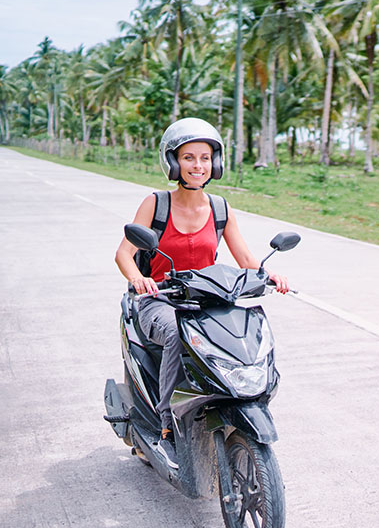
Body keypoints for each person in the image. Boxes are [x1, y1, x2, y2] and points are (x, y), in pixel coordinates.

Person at [114, 117, 289, 468]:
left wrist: (268, 274)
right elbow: (124, 253)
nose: (198, 166)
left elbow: (244, 257)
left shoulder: (221, 208)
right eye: (190, 157)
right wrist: (138, 279)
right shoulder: (156, 203)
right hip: (159, 301)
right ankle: (166, 427)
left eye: (206, 158)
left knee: (245, 332)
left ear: (216, 163)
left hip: (207, 299)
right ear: (174, 161)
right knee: (180, 337)